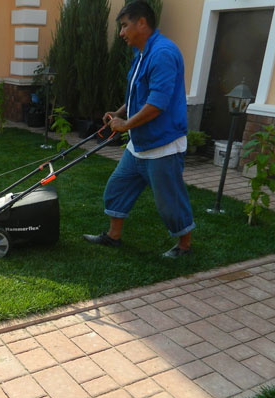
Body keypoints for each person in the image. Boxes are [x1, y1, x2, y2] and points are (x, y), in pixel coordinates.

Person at [83, 0, 195, 258]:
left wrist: (125, 125)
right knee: (117, 187)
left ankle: (185, 246)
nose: (121, 33)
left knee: (169, 201)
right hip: (139, 144)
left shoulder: (162, 53)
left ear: (142, 23)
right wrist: (119, 113)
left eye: (124, 26)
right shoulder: (143, 53)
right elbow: (138, 94)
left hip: (163, 145)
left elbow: (157, 104)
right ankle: (113, 236)